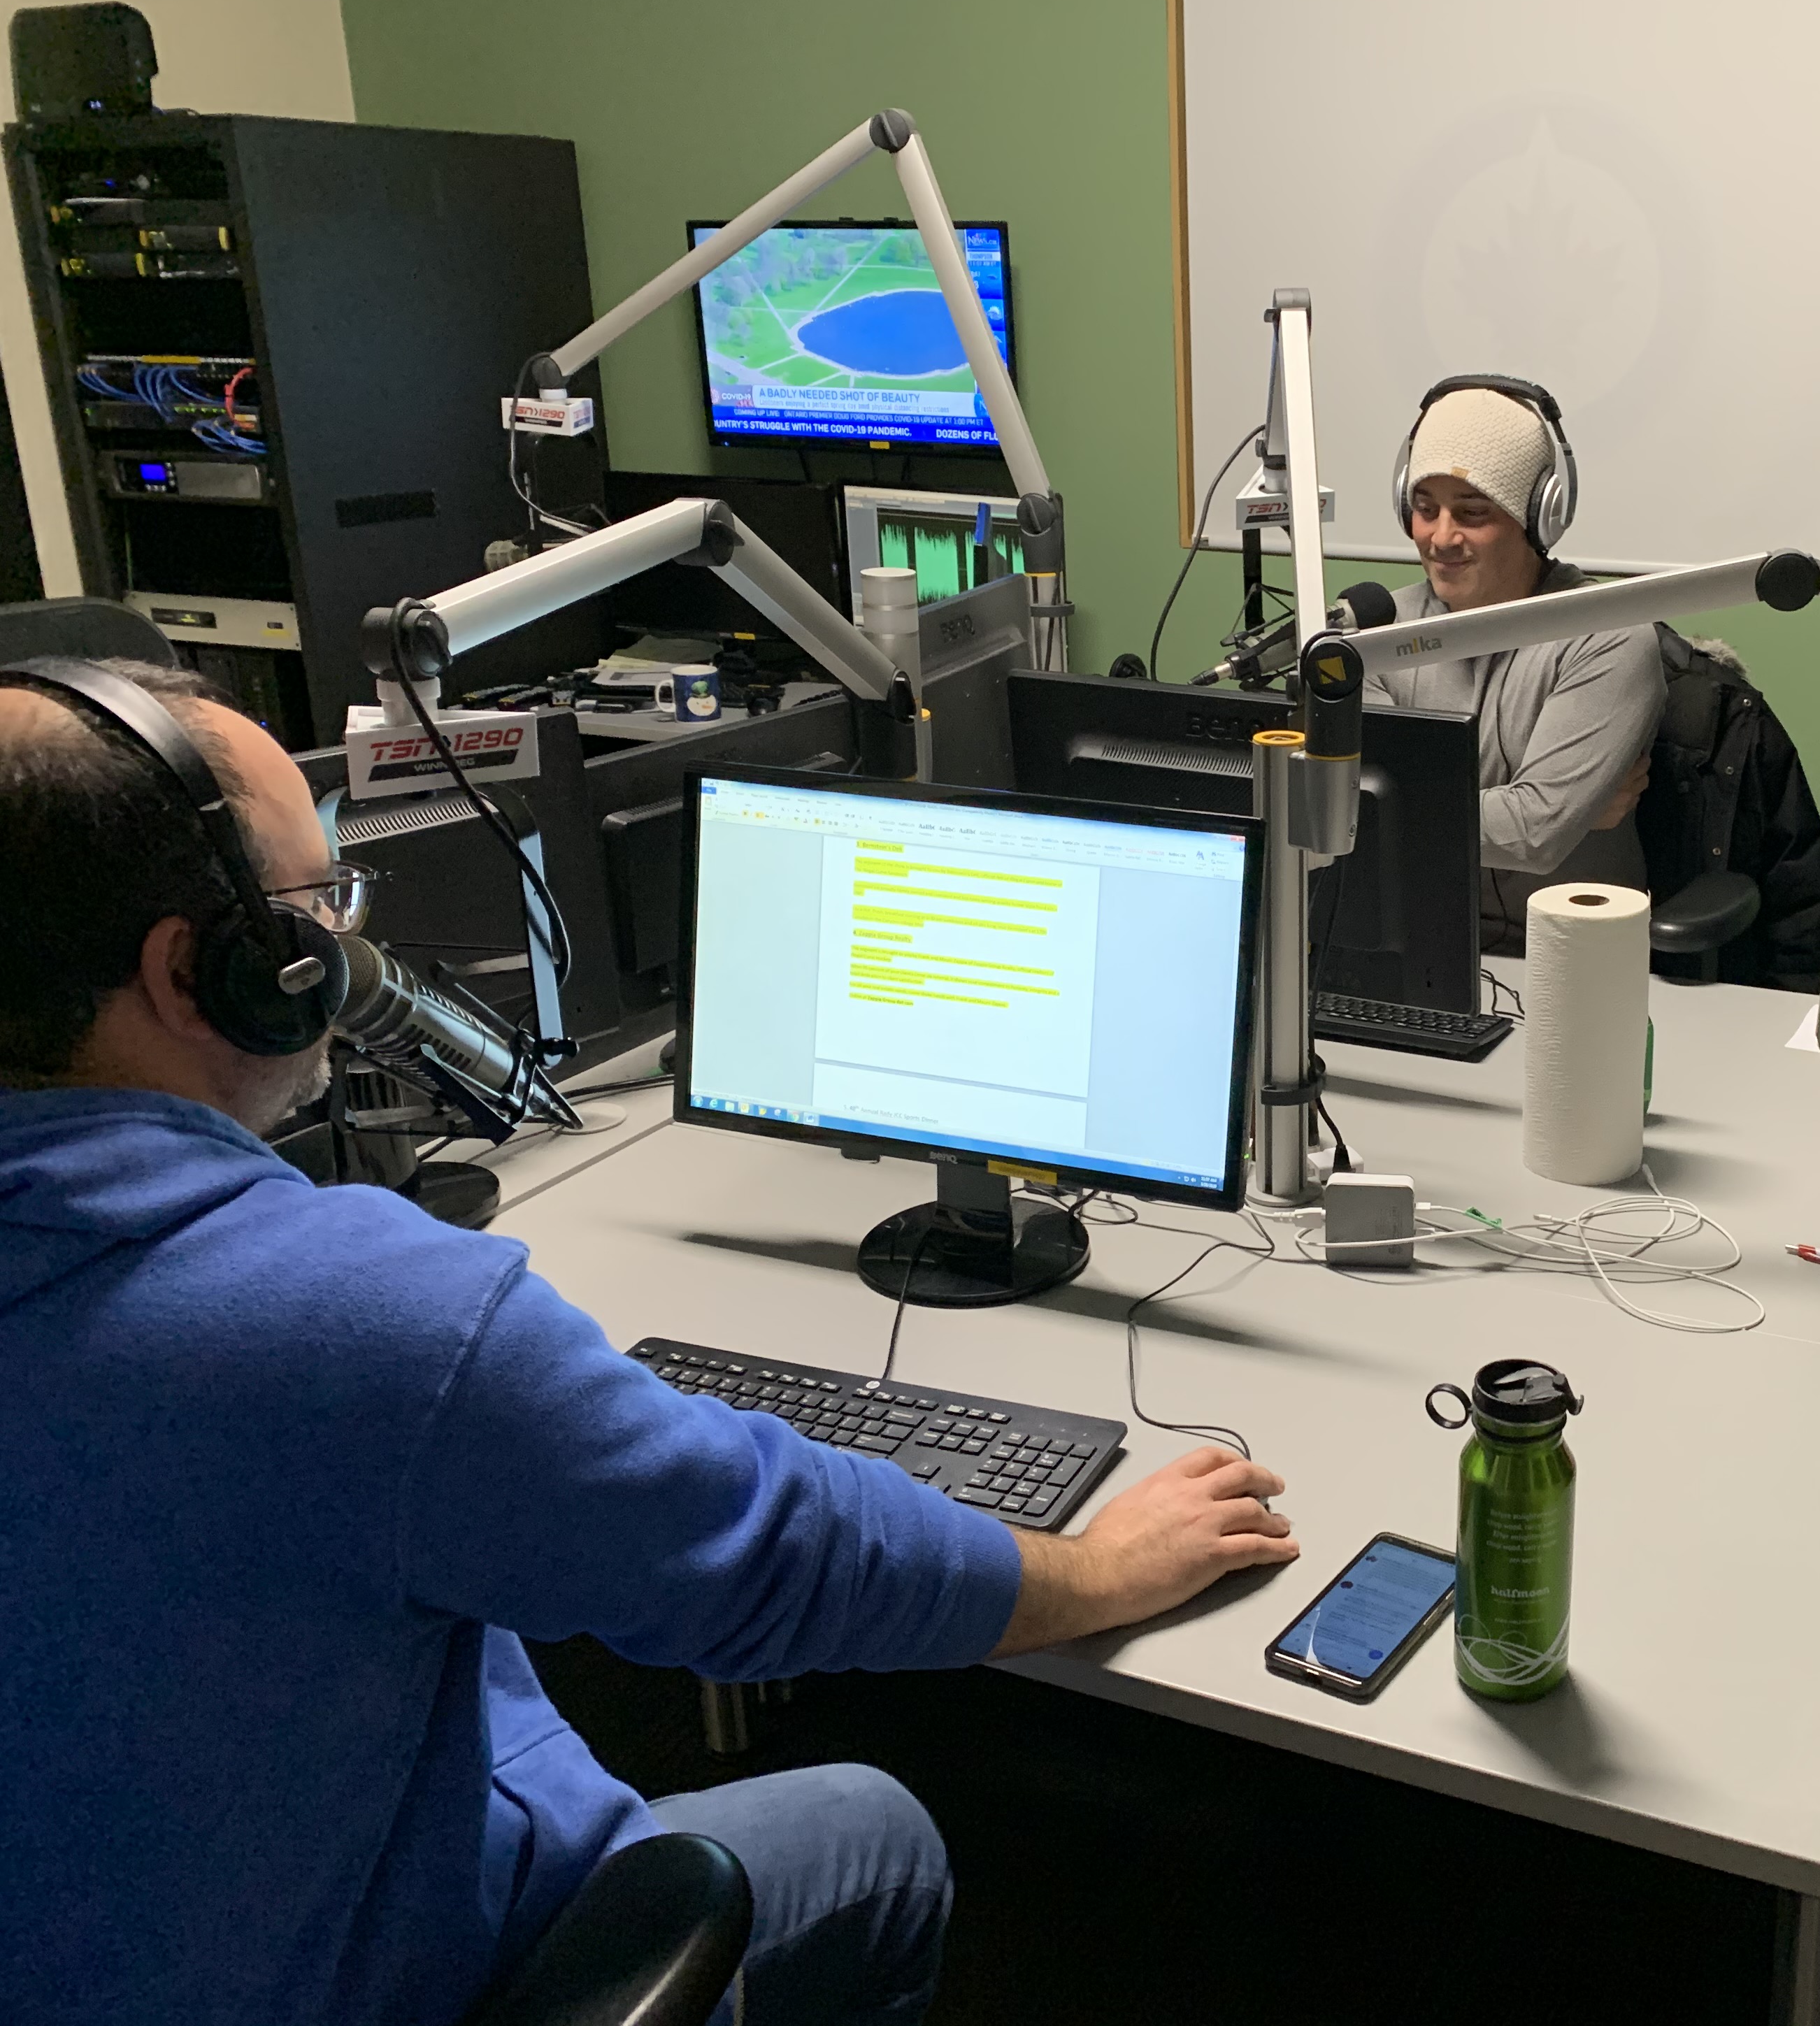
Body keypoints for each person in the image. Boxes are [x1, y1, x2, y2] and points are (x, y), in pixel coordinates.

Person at [0, 659, 1303, 2026]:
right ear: (202, 971)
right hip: (389, 1970)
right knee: (875, 1830)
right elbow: (782, 1556)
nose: (340, 946)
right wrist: (1096, 1569)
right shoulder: (360, 1327)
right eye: (316, 908)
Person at [1365, 375, 1667, 951]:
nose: (1441, 537)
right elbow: (1351, 809)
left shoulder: (1609, 636)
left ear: (1538, 517)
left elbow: (1533, 835)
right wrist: (1569, 810)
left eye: (1472, 513)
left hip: (1568, 955)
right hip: (1412, 943)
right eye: (1425, 509)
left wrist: (1543, 819)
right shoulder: (1376, 632)